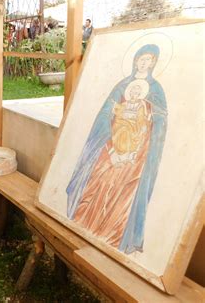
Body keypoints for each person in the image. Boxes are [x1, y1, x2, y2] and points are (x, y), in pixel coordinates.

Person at [65, 44, 167, 254]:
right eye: (141, 58)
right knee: (99, 184)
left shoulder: (156, 90)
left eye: (148, 59)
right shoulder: (122, 85)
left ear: (154, 63)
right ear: (135, 60)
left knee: (122, 194)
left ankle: (113, 237)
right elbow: (105, 115)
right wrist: (111, 147)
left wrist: (142, 132)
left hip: (135, 155)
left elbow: (159, 124)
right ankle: (86, 225)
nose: (143, 62)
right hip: (111, 147)